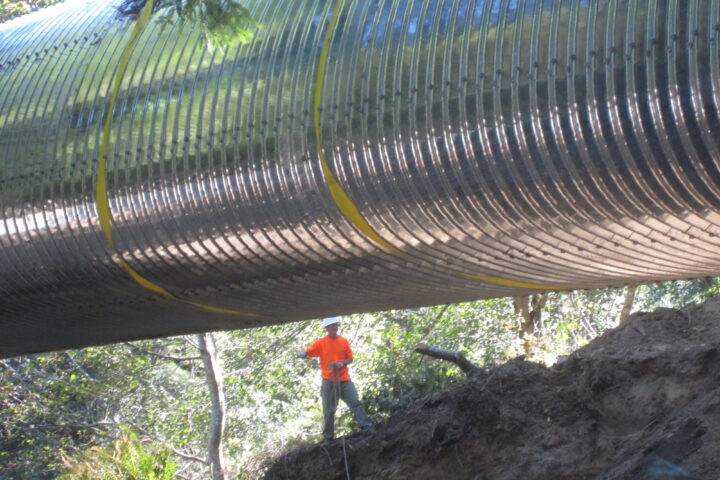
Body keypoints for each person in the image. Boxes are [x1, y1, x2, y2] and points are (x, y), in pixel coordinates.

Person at [297, 316, 375, 441]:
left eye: (336, 325)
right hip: (328, 381)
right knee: (328, 411)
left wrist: (341, 363)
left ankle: (367, 427)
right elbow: (308, 352)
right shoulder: (320, 343)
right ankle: (328, 438)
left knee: (355, 403)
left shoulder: (343, 341)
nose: (335, 327)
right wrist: (302, 353)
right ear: (327, 328)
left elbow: (350, 358)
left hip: (344, 379)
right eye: (332, 325)